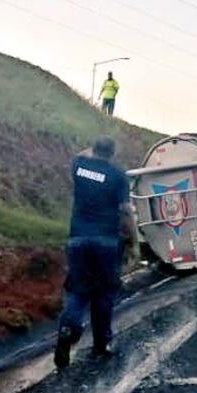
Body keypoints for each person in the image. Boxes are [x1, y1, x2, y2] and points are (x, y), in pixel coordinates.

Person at [54, 137, 134, 368]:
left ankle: (68, 327)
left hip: (78, 239)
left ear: (94, 150)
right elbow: (125, 211)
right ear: (113, 152)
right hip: (107, 243)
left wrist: (90, 153)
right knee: (104, 293)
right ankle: (102, 343)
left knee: (77, 290)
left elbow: (81, 153)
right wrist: (133, 240)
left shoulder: (79, 166)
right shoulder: (118, 176)